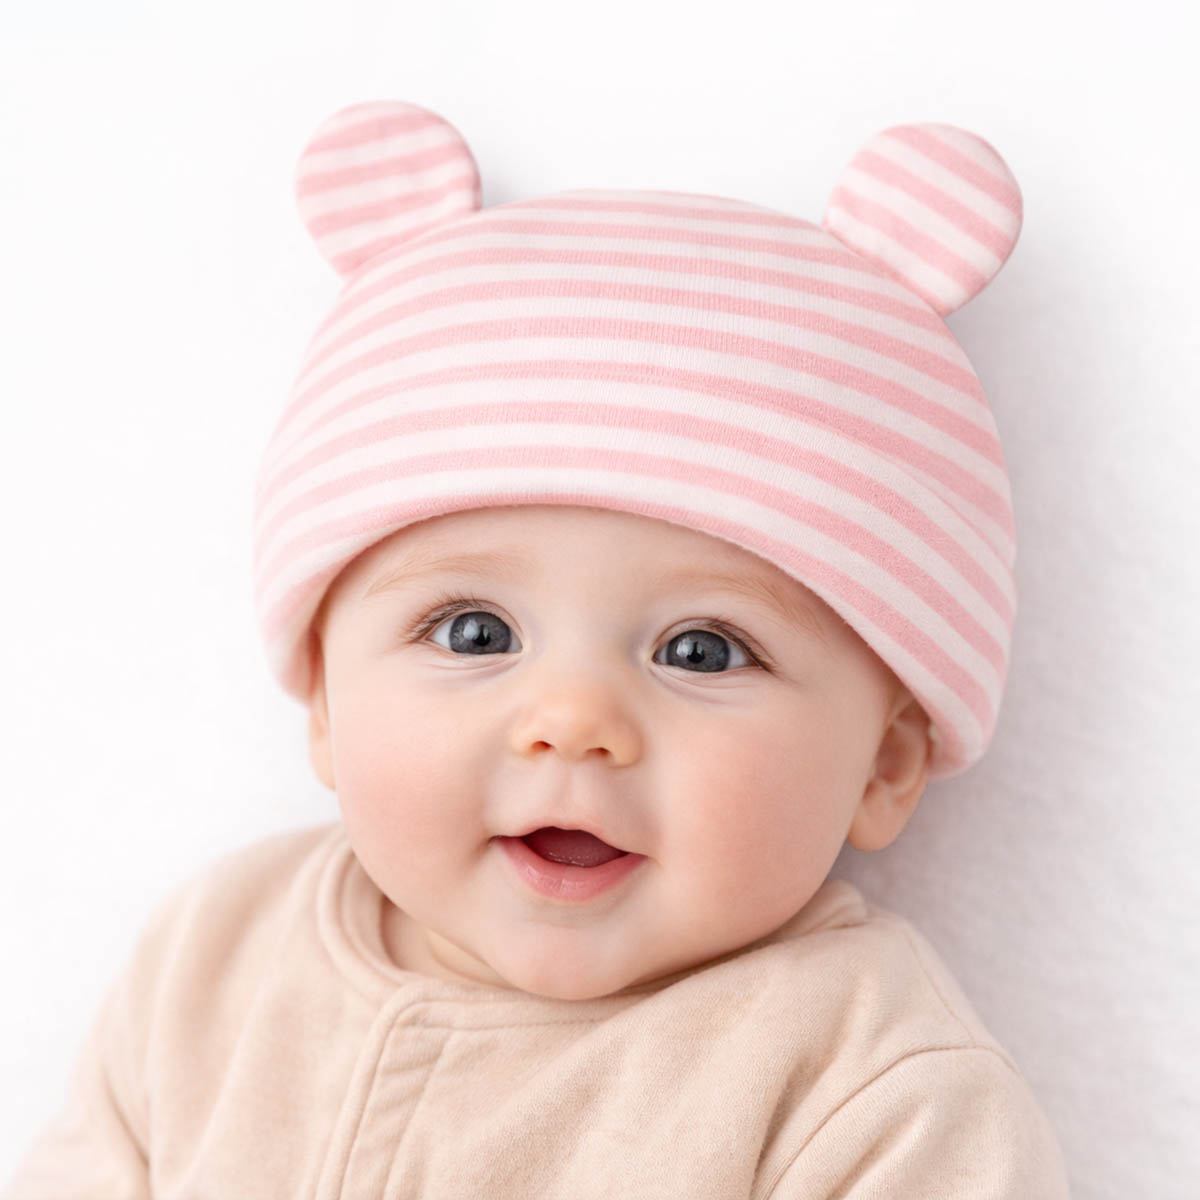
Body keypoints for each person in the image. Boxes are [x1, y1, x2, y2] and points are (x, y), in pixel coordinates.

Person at [6, 100, 1071, 1197]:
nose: (572, 721)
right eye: (475, 632)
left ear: (886, 763)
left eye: (702, 651)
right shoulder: (217, 962)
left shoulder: (877, 1100)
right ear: (324, 699)